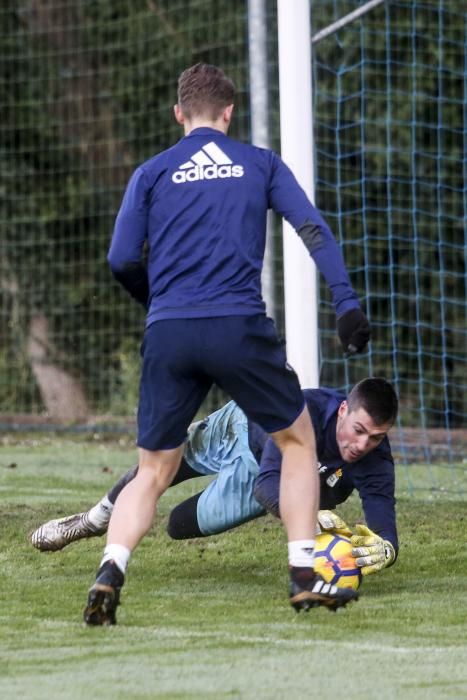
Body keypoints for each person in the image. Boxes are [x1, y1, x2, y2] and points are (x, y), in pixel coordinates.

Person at [84, 63, 370, 625]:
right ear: (229, 113)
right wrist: (346, 304)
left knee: (153, 471)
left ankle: (110, 570)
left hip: (169, 331)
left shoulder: (152, 172)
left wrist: (159, 304)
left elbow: (120, 259)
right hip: (239, 327)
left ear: (179, 114)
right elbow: (312, 228)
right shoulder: (260, 163)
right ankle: (302, 572)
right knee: (297, 441)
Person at [32, 378, 397, 579]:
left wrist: (387, 548)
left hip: (262, 480)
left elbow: (384, 524)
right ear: (344, 410)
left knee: (179, 526)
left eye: (375, 437)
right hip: (242, 430)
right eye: (358, 430)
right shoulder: (304, 413)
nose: (362, 444)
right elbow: (270, 485)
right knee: (161, 465)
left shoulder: (376, 457)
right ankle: (90, 521)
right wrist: (309, 519)